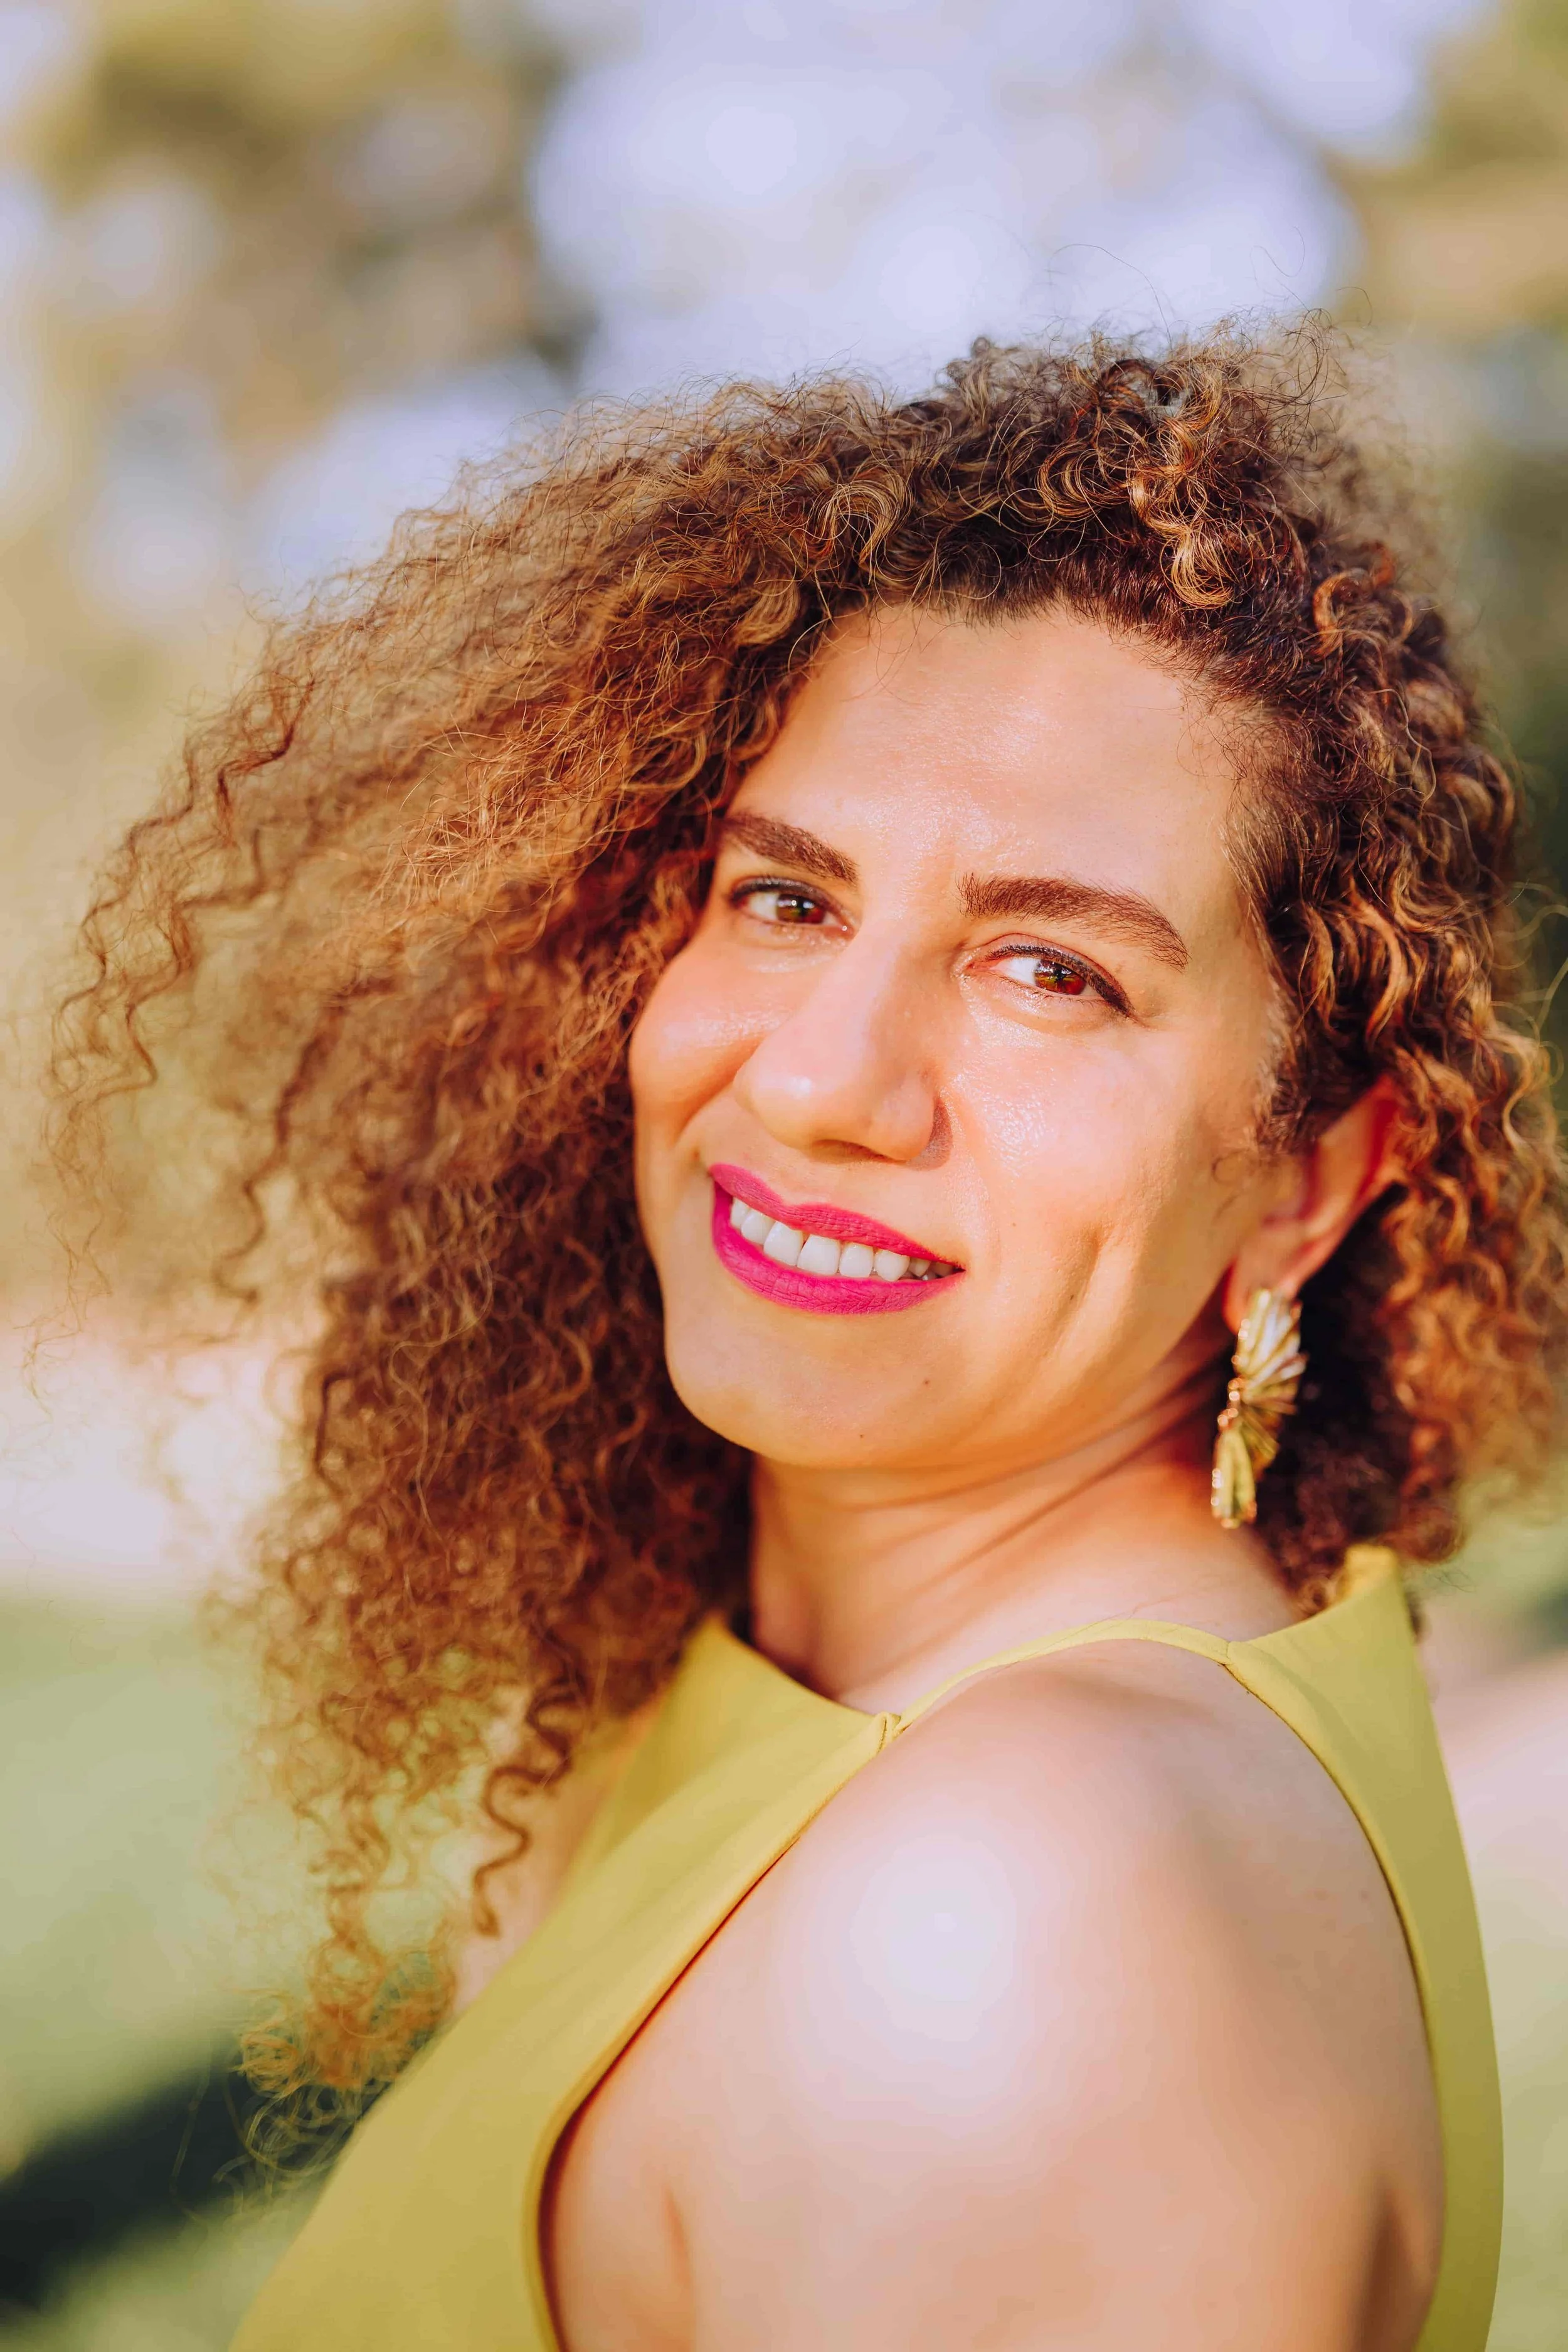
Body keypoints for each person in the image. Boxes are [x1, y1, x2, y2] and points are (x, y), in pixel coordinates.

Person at [55, 330, 1567, 2351]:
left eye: (1048, 968)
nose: (819, 1078)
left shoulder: (1027, 1907)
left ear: (1303, 1182)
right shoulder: (744, 1705)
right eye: (784, 898)